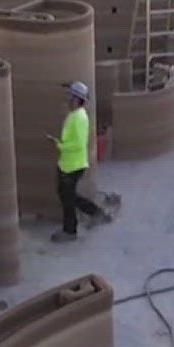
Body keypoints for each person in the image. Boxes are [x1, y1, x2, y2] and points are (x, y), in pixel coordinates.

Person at [49, 82, 111, 242]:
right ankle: (95, 212)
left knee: (67, 199)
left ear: (77, 100)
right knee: (67, 196)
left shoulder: (79, 117)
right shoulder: (75, 114)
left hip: (73, 165)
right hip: (68, 163)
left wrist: (60, 145)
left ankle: (70, 231)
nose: (68, 99)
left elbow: (78, 143)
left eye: (71, 97)